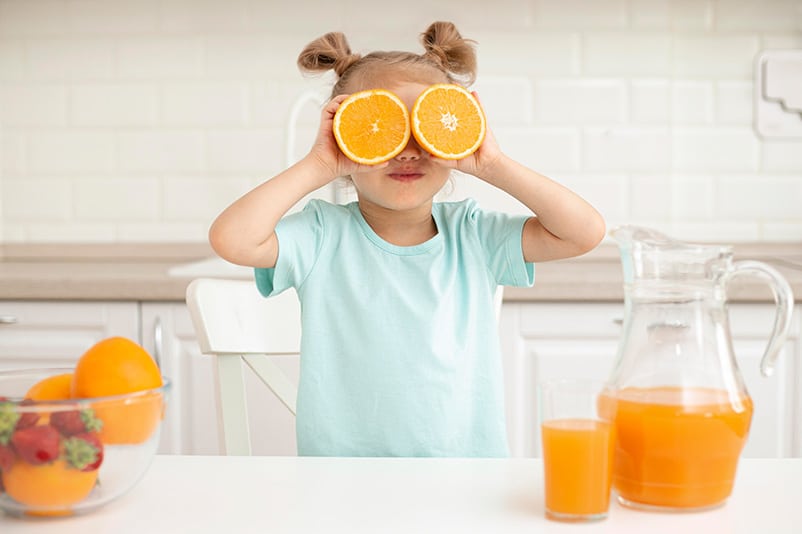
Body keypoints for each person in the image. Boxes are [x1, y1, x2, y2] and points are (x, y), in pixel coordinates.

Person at [209, 21, 605, 457]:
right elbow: (233, 240)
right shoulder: (321, 235)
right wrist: (319, 164)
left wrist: (492, 164)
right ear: (348, 134)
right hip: (342, 488)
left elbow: (584, 232)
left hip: (464, 484)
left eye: (425, 130)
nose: (408, 150)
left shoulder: (474, 235)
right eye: (384, 128)